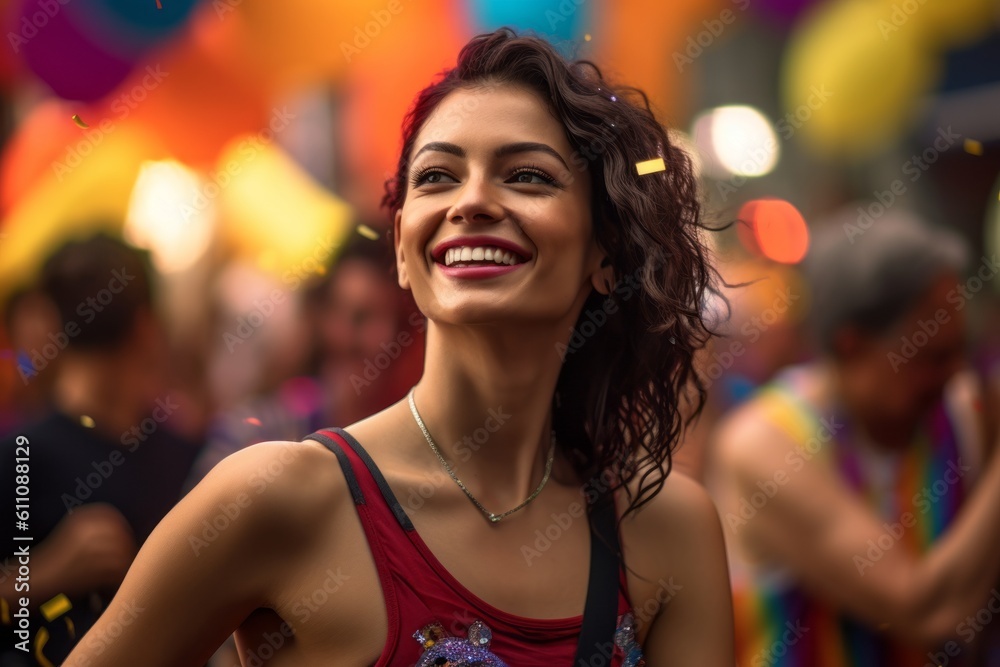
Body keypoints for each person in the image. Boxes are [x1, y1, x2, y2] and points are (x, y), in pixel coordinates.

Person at [65, 29, 734, 665]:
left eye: (527, 176)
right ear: (405, 256)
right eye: (438, 176)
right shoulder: (276, 497)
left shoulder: (667, 531)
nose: (471, 201)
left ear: (604, 254)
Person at [709, 210, 1000, 665]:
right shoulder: (765, 444)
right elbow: (929, 614)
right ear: (850, 345)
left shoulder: (961, 408)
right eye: (931, 356)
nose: (954, 373)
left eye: (961, 351)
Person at [0, 233, 203, 665]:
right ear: (147, 329)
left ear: (49, 324)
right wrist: (47, 573)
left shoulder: (15, 454)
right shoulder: (190, 461)